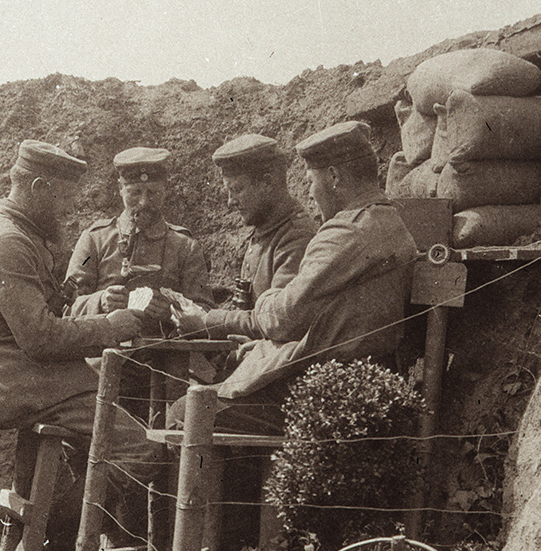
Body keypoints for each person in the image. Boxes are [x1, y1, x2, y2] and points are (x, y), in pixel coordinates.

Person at [0, 138, 160, 542]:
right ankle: (57, 541)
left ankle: (49, 538)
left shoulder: (14, 233)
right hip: (15, 381)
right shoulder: (7, 242)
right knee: (143, 449)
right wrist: (113, 325)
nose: (67, 211)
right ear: (37, 189)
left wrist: (66, 295)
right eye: (63, 199)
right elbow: (42, 339)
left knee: (93, 453)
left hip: (20, 376)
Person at [172, 120, 418, 434]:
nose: (311, 194)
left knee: (183, 412)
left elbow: (283, 316)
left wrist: (262, 306)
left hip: (325, 391)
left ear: (333, 177)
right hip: (351, 380)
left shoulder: (346, 231)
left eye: (310, 181)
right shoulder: (386, 220)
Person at [182, 133, 314, 338]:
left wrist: (207, 322)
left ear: (267, 183)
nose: (230, 202)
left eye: (237, 190)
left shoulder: (296, 238)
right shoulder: (266, 230)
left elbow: (277, 319)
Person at [65, 147, 213, 316]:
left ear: (165, 190)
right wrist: (99, 301)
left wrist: (172, 310)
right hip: (106, 341)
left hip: (166, 342)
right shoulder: (95, 240)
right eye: (135, 193)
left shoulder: (185, 247)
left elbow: (206, 312)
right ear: (120, 189)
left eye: (153, 192)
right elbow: (65, 306)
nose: (144, 202)